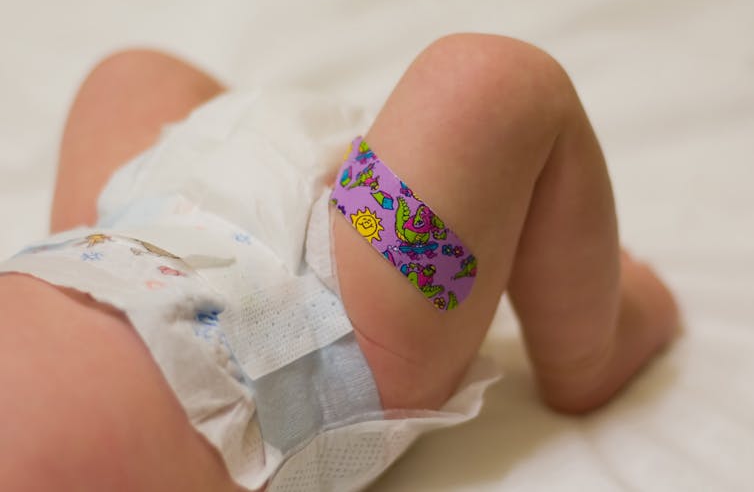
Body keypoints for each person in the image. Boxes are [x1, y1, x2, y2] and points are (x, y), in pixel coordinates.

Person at [0, 33, 679, 491]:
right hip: (320, 332)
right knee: (496, 82)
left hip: (111, 235)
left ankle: (269, 157)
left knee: (128, 75)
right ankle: (594, 348)